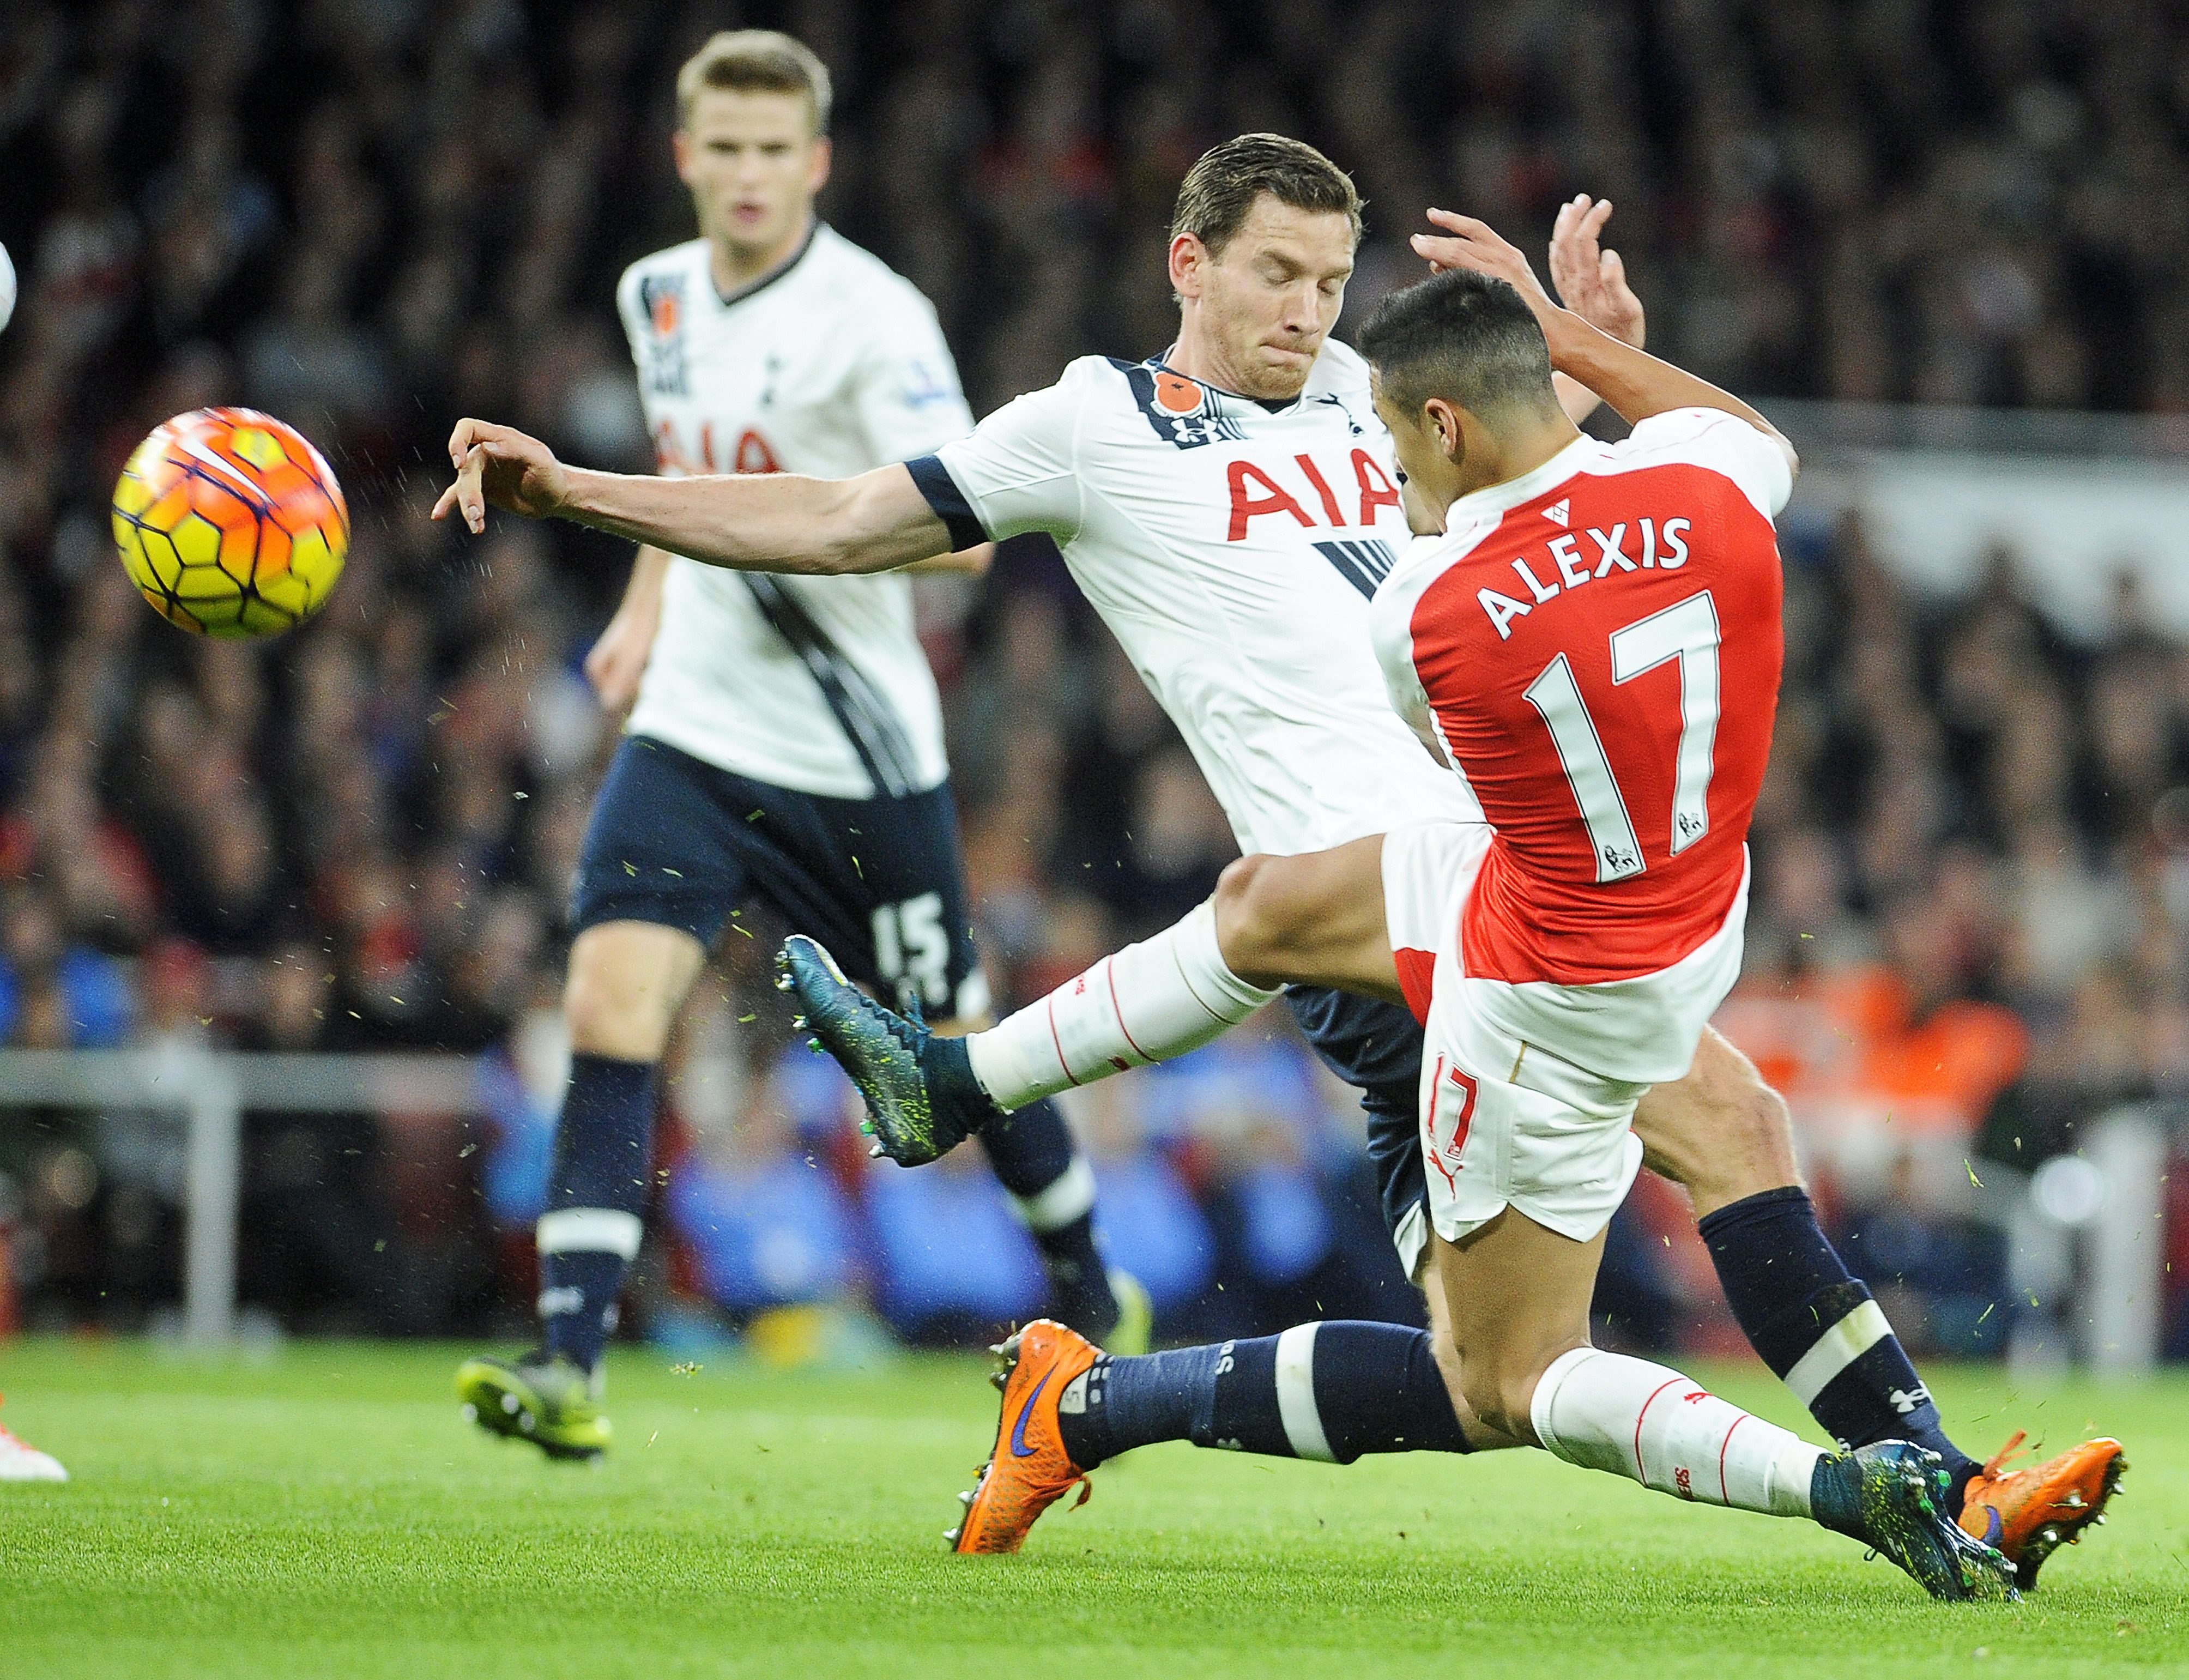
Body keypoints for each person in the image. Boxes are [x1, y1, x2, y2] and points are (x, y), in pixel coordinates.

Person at [427, 136, 2116, 1587]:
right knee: (1356, 965)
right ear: (1189, 262)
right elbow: (845, 516)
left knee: (1502, 1365)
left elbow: (1564, 541)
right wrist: (575, 489)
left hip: (1483, 887)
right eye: (1280, 274)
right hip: (1396, 903)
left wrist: (1584, 369)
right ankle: (1937, 1487)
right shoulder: (1088, 430)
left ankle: (1082, 1403)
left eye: (1332, 276)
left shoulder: (1386, 408)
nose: (1312, 309)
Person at [451, 30, 1142, 1463]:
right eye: (731, 147)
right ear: (688, 154)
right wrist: (652, 599)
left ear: (817, 163)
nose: (754, 174)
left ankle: (1087, 1283)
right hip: (695, 734)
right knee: (607, 1005)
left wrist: (800, 538)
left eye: (781, 151)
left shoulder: (877, 321)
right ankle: (572, 1354)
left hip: (857, 762)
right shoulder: (656, 295)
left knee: (963, 1055)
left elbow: (961, 541)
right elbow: (677, 464)